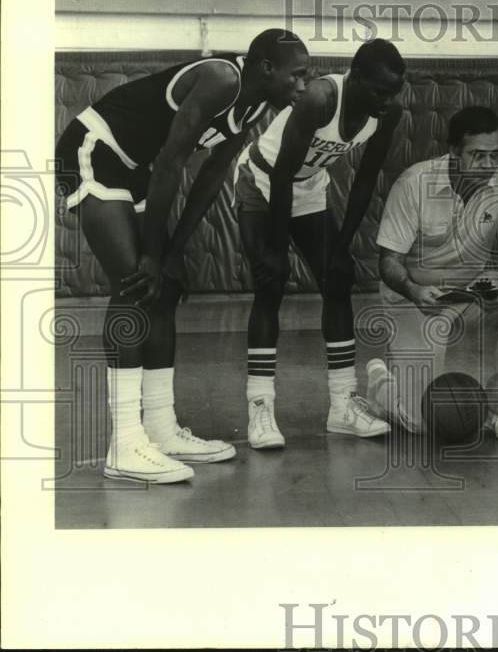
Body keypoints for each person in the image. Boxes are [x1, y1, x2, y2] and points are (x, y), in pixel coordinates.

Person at [55, 28, 310, 483]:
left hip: (137, 167)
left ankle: (159, 427)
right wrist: (152, 254)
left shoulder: (253, 103)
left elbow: (211, 176)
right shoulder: (220, 78)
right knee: (134, 283)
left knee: (166, 286)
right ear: (267, 69)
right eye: (298, 76)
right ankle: (126, 444)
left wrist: (170, 253)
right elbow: (173, 161)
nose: (303, 86)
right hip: (93, 148)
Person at [234, 39, 406, 448]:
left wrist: (342, 246)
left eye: (393, 92)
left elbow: (365, 181)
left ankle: (343, 405)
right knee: (270, 282)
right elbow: (279, 176)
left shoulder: (388, 112)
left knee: (338, 277)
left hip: (309, 187)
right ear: (355, 77)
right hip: (262, 181)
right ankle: (260, 407)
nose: (386, 101)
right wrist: (276, 251)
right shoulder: (320, 98)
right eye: (379, 91)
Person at [370, 106, 498, 440]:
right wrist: (413, 290)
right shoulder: (413, 183)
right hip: (415, 299)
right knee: (423, 423)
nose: (486, 166)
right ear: (453, 151)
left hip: (470, 297)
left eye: (492, 156)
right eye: (476, 155)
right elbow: (388, 261)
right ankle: (381, 383)